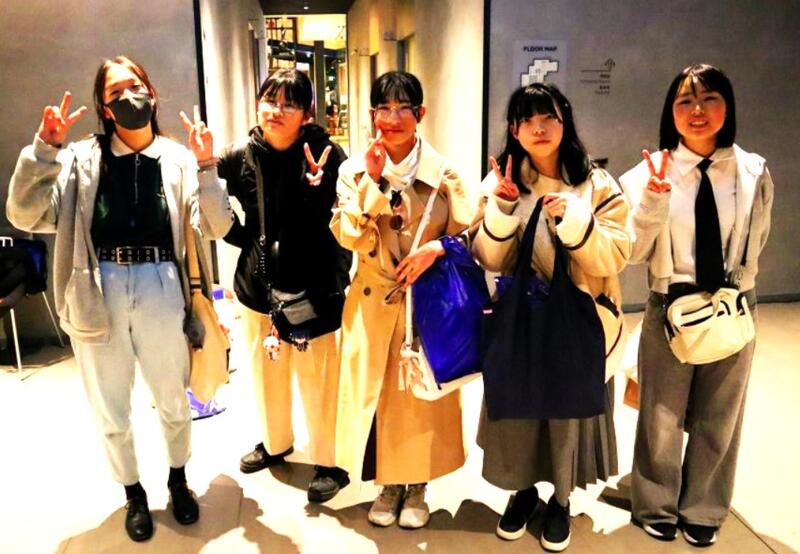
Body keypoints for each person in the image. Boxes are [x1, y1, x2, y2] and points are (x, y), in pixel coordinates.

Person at [6, 56, 232, 542]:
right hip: (97, 288)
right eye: (115, 93)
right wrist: (44, 150)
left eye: (136, 85)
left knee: (173, 397)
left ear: (151, 92)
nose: (129, 97)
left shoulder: (178, 160)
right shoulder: (78, 160)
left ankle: (178, 479)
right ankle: (133, 492)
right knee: (111, 408)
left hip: (161, 284)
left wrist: (207, 165)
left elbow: (216, 226)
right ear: (105, 109)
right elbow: (24, 215)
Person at [471, 82, 631, 552]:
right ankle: (522, 492)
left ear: (565, 122)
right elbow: (488, 258)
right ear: (513, 130)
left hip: (577, 320)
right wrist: (502, 209)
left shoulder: (596, 184)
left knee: (565, 414)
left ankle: (560, 500)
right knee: (518, 410)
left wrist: (575, 222)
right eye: (527, 120)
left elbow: (617, 253)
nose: (538, 128)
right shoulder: (501, 183)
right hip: (521, 321)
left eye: (549, 118)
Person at [620, 63, 774, 547]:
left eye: (709, 99)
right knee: (661, 415)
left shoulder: (752, 171)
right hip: (671, 305)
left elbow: (757, 240)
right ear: (671, 112)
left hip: (732, 303)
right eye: (685, 101)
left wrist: (739, 287)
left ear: (728, 107)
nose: (697, 111)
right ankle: (656, 504)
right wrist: (653, 200)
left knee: (721, 413)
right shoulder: (647, 174)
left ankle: (704, 506)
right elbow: (633, 251)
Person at [330, 71, 473, 529]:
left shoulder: (445, 174)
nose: (392, 119)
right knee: (379, 398)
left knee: (419, 396)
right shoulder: (354, 171)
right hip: (372, 300)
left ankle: (417, 486)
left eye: (402, 109)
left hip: (425, 301)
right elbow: (349, 236)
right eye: (383, 109)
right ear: (372, 114)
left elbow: (469, 236)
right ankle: (387, 484)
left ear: (420, 114)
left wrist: (436, 249)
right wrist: (372, 183)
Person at [218, 68, 351, 502]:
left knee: (320, 380)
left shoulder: (328, 154)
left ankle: (330, 461)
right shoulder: (239, 156)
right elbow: (216, 208)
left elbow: (344, 223)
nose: (276, 110)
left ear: (307, 114)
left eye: (289, 103)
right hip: (257, 285)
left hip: (313, 287)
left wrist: (317, 193)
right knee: (265, 374)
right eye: (269, 100)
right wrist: (243, 239)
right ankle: (276, 443)